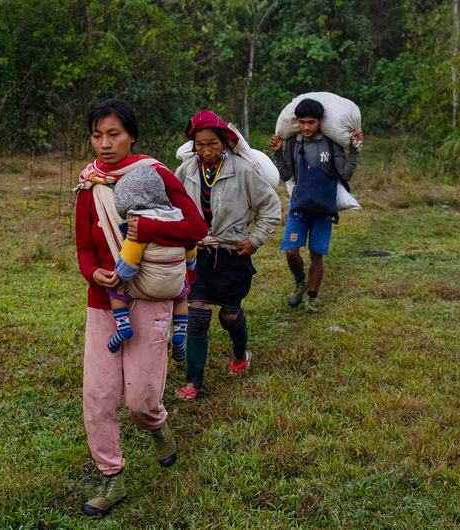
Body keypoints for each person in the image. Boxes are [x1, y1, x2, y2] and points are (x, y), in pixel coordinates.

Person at [74, 98, 207, 517]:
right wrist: (94, 273)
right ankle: (112, 477)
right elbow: (81, 248)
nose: (104, 144)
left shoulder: (155, 175)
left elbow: (195, 228)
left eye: (113, 134)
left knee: (141, 401)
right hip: (103, 304)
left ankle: (157, 424)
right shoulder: (88, 184)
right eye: (97, 135)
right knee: (98, 397)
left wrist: (144, 227)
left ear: (131, 136)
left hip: (148, 299)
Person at [173, 109, 281, 401]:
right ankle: (193, 381)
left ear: (224, 142)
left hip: (233, 255)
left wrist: (255, 240)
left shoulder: (243, 171)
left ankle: (239, 353)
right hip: (200, 255)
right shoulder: (186, 172)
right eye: (200, 144)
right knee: (197, 314)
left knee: (230, 316)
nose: (206, 151)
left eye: (213, 144)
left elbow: (271, 208)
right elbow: (172, 206)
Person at [268, 98, 363, 313]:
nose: (306, 127)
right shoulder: (294, 143)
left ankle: (312, 296)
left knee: (316, 255)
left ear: (320, 121)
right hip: (298, 208)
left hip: (323, 210)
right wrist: (277, 153)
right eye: (302, 122)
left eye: (311, 122)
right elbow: (286, 174)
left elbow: (346, 173)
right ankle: (300, 282)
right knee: (291, 252)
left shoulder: (331, 144)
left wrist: (355, 151)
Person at [106, 165, 198, 354]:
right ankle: (180, 332)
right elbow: (191, 253)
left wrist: (120, 278)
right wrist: (190, 264)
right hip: (174, 287)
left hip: (147, 288)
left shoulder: (138, 226)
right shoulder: (178, 220)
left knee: (115, 292)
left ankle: (123, 326)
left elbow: (129, 260)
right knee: (182, 297)